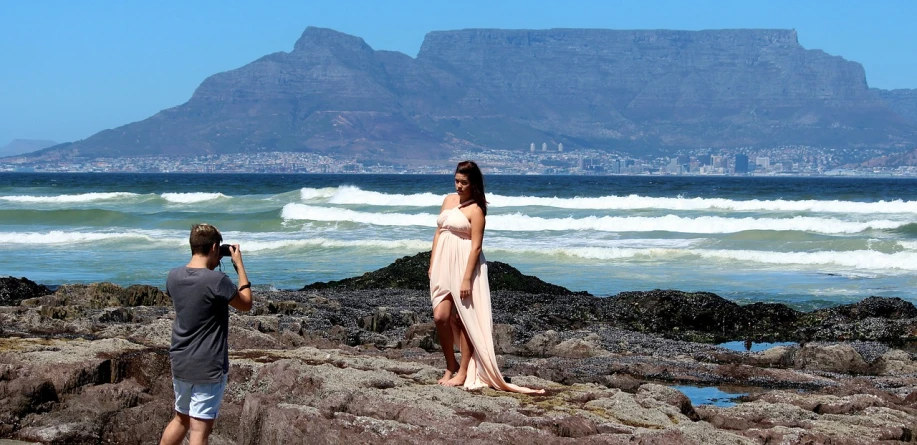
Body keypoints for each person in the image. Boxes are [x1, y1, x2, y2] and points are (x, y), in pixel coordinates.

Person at [428, 161, 543, 394]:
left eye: (464, 182)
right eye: (456, 181)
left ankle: (462, 372)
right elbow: (439, 232)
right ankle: (451, 365)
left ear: (474, 184)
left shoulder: (477, 210)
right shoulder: (448, 200)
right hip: (442, 263)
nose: (459, 186)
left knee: (465, 319)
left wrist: (466, 279)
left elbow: (476, 247)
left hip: (465, 267)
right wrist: (432, 263)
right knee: (441, 316)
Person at [159, 223, 252, 445]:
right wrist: (239, 266)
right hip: (208, 366)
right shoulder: (217, 281)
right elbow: (246, 303)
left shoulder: (173, 277)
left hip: (180, 360)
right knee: (200, 430)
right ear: (213, 247)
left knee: (181, 418)